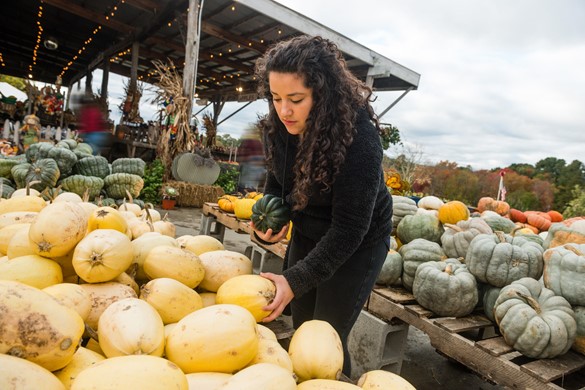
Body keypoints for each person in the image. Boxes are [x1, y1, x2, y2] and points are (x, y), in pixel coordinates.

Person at [251, 35, 393, 375]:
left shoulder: (360, 139)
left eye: (296, 99)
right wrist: (271, 222)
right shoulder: (280, 123)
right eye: (276, 97)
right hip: (309, 229)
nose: (284, 110)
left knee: (326, 333)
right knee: (302, 326)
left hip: (358, 242)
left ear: (323, 93)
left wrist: (294, 279)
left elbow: (349, 229)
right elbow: (279, 178)